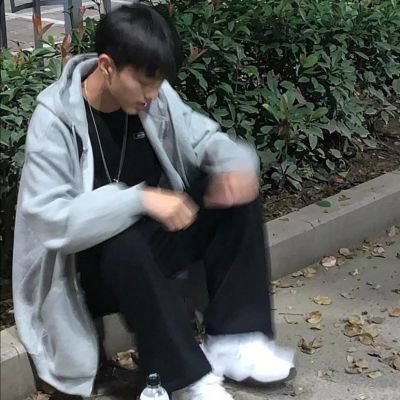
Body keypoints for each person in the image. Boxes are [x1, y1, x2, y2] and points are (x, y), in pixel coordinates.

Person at [12, 3, 294, 399]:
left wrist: (235, 165)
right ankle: (184, 378)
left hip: (148, 252)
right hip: (87, 271)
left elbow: (204, 137)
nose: (153, 94)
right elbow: (53, 221)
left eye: (159, 82)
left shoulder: (153, 97)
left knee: (229, 188)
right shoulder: (55, 120)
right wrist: (140, 199)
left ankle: (235, 339)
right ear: (107, 66)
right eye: (145, 82)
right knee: (121, 240)